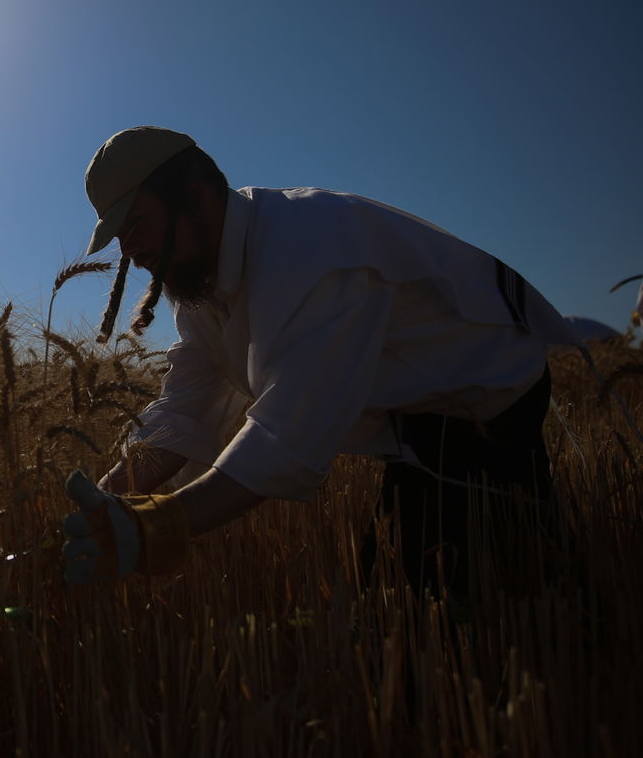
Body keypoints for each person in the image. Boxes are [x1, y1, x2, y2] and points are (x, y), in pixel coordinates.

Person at [61, 126, 575, 599]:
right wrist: (108, 500)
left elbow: (284, 437)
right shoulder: (197, 277)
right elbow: (184, 408)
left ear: (194, 194)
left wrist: (160, 523)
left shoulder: (312, 251)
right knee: (407, 601)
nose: (130, 251)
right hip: (417, 419)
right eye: (118, 236)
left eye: (137, 225)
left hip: (486, 406)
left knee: (458, 607)